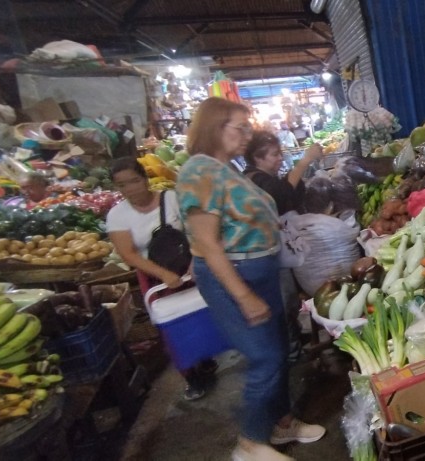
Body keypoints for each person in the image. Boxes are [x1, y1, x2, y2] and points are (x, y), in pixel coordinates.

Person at [175, 97, 324, 461]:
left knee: (278, 352)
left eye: (247, 127)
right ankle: (250, 443)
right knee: (266, 358)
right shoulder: (198, 172)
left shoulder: (224, 168)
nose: (246, 135)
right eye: (238, 128)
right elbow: (208, 245)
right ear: (213, 127)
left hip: (261, 273)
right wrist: (243, 296)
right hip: (234, 278)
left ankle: (283, 423)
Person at [105, 158, 218, 401]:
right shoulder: (117, 216)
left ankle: (206, 355)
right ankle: (190, 375)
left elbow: (195, 230)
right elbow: (129, 254)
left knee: (202, 313)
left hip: (190, 264)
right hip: (153, 275)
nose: (130, 189)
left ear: (145, 178)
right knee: (171, 325)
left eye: (134, 181)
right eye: (122, 185)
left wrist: (195, 261)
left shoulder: (172, 198)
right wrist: (163, 274)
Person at [242, 131, 322, 362]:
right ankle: (290, 353)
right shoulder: (254, 179)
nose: (279, 158)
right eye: (274, 154)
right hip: (265, 253)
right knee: (282, 301)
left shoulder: (266, 177)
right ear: (257, 157)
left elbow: (291, 195)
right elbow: (282, 193)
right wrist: (305, 160)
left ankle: (293, 343)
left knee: (288, 299)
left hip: (277, 249)